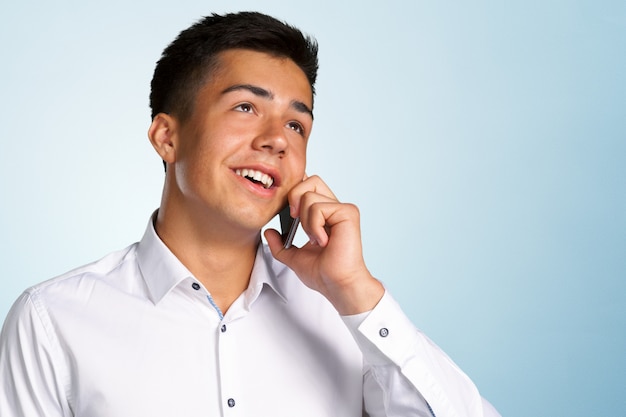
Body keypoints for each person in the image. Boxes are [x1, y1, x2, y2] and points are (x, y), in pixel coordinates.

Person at [0, 11, 500, 417]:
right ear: (166, 137)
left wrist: (357, 293)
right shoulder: (53, 321)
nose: (276, 139)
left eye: (296, 124)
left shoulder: (346, 318)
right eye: (245, 108)